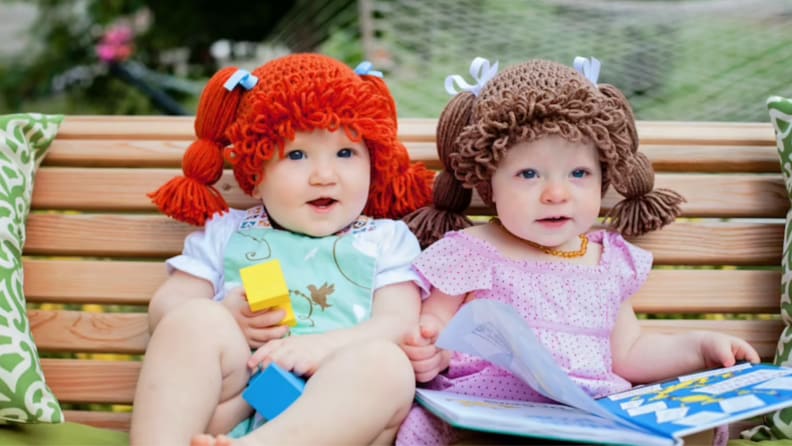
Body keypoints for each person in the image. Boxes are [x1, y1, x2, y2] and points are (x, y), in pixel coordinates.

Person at [397, 57, 761, 445]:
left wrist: (700, 347)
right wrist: (429, 351)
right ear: (489, 181)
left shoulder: (607, 260)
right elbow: (431, 327)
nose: (556, 194)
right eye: (529, 174)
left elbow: (630, 352)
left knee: (691, 429)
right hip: (488, 416)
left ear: (603, 176)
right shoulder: (473, 251)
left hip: (587, 417)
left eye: (579, 173)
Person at [129, 53, 435, 446]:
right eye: (296, 154)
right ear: (255, 176)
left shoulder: (385, 240)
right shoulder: (226, 233)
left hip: (336, 418)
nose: (324, 176)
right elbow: (166, 309)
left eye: (346, 153)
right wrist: (226, 315)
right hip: (235, 405)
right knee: (193, 320)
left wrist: (322, 347)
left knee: (388, 364)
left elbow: (398, 323)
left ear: (372, 164)